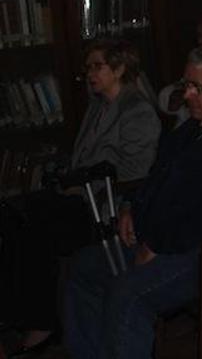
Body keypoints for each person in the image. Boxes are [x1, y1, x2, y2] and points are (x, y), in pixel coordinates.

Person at [63, 47, 202, 359]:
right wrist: (132, 205)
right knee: (84, 268)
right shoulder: (196, 128)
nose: (187, 95)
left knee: (128, 293)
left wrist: (160, 243)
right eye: (187, 85)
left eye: (197, 87)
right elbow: (157, 175)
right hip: (172, 237)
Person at [0, 38, 161, 356]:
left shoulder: (137, 110)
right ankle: (17, 315)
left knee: (37, 228)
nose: (89, 74)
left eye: (97, 66)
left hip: (103, 206)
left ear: (119, 69)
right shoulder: (97, 107)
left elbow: (134, 173)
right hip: (77, 195)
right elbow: (81, 158)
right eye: (87, 67)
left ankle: (41, 321)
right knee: (11, 216)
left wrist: (82, 183)